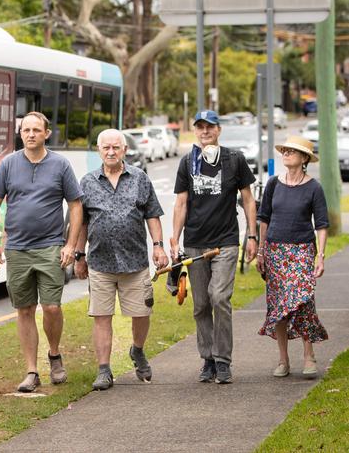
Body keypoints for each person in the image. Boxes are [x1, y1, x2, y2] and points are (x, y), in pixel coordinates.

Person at [0, 111, 83, 392]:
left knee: (51, 306)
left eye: (36, 130)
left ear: (46, 134)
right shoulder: (9, 164)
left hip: (51, 246)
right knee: (24, 309)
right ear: (21, 133)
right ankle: (31, 371)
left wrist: (70, 245)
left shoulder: (60, 165)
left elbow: (75, 206)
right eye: (25, 130)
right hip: (17, 249)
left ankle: (54, 355)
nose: (30, 134)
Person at [75, 129, 169, 390]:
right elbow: (81, 222)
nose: (111, 152)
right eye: (106, 148)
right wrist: (79, 255)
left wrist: (158, 246)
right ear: (98, 150)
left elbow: (152, 214)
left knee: (141, 313)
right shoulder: (87, 182)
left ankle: (137, 350)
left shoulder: (140, 178)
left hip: (135, 261)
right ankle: (104, 370)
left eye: (116, 147)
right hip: (100, 263)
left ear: (125, 150)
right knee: (101, 316)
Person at [171, 110, 257, 384]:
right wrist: (175, 238)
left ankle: (223, 360)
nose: (205, 131)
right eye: (200, 127)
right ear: (195, 130)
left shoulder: (234, 160)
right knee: (201, 304)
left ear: (219, 130)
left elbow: (248, 199)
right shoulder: (187, 162)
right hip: (196, 243)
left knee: (219, 297)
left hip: (226, 241)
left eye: (210, 126)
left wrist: (252, 235)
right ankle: (207, 358)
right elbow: (181, 203)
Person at [256, 135, 328, 378]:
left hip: (302, 251)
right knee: (279, 307)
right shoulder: (274, 184)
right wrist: (261, 251)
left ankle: (309, 356)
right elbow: (263, 218)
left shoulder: (314, 188)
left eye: (292, 151)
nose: (286, 153)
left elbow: (321, 224)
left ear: (304, 158)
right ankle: (283, 360)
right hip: (276, 251)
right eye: (284, 150)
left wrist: (321, 257)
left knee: (304, 302)